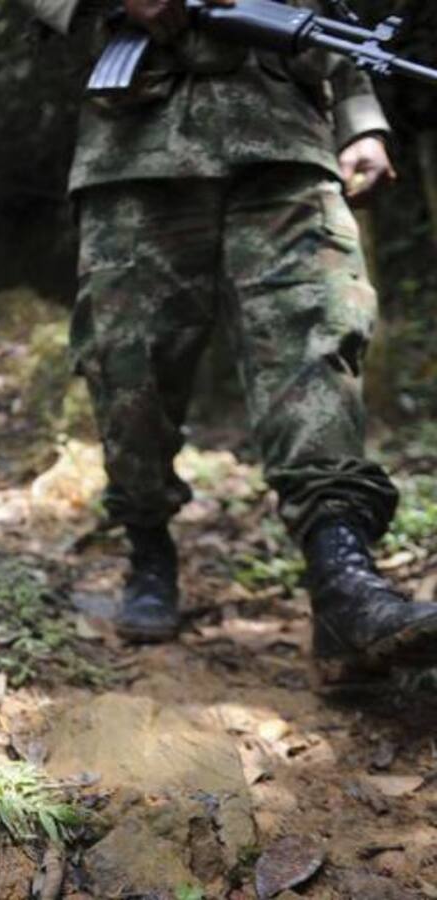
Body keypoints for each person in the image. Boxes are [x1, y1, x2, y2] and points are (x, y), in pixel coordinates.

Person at [27, 0, 437, 679]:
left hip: (286, 143)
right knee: (130, 368)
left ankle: (341, 576)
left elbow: (322, 11)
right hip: (138, 144)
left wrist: (360, 120)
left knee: (318, 339)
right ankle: (148, 547)